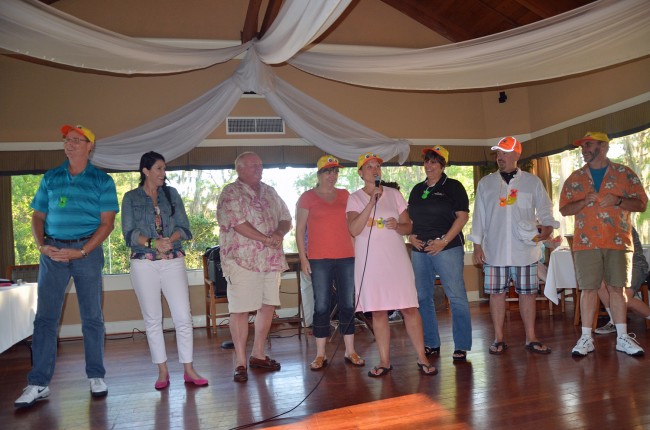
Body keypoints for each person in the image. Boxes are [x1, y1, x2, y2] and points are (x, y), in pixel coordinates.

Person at [15, 125, 119, 409]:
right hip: (53, 252)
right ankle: (38, 383)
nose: (69, 144)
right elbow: (37, 217)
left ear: (89, 147)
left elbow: (107, 223)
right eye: (66, 140)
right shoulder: (51, 177)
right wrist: (41, 246)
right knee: (45, 318)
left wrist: (81, 251)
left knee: (92, 318)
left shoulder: (102, 180)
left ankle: (96, 375)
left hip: (87, 252)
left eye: (76, 140)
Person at [121, 151, 207, 390]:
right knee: (152, 319)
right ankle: (162, 371)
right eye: (159, 168)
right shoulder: (130, 198)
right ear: (145, 171)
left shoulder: (172, 194)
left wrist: (170, 238)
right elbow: (128, 234)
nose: (163, 173)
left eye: (164, 168)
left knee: (183, 316)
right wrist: (152, 243)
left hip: (173, 261)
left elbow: (184, 227)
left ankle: (189, 369)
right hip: (143, 263)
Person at [346, 152, 436, 377]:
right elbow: (353, 229)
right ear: (360, 173)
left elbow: (408, 227)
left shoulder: (394, 194)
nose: (375, 170)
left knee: (410, 308)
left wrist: (398, 225)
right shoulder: (354, 198)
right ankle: (384, 361)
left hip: (395, 260)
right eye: (369, 167)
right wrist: (371, 202)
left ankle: (422, 358)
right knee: (378, 312)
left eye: (377, 166)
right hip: (371, 264)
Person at [559, 132, 648, 357]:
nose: (584, 149)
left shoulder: (624, 174)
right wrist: (582, 202)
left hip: (618, 242)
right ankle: (586, 338)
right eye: (582, 146)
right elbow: (564, 209)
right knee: (589, 289)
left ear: (604, 147)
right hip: (586, 243)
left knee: (617, 290)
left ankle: (622, 338)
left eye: (588, 144)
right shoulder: (575, 178)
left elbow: (641, 204)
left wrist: (619, 200)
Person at [469, 136, 558, 355]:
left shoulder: (532, 182)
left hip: (525, 251)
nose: (500, 157)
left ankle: (531, 337)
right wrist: (477, 247)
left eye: (505, 152)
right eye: (498, 153)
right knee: (496, 294)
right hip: (494, 251)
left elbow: (545, 210)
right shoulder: (486, 184)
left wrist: (547, 227)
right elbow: (479, 216)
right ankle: (498, 338)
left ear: (517, 154)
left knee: (527, 293)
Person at [216, 152, 292, 383]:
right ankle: (240, 361)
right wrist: (265, 238)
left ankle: (258, 354)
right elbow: (238, 224)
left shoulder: (270, 191)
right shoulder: (230, 193)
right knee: (240, 310)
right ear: (239, 168)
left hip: (270, 260)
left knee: (268, 306)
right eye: (252, 165)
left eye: (260, 164)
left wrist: (279, 233)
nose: (259, 168)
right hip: (242, 260)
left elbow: (286, 217)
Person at [296, 155, 364, 371]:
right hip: (319, 259)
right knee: (322, 305)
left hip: (346, 257)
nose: (332, 176)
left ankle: (350, 350)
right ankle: (320, 354)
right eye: (328, 171)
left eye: (335, 172)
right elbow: (299, 231)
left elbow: (353, 226)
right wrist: (303, 258)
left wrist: (357, 252)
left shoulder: (345, 195)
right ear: (319, 174)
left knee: (347, 304)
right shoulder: (307, 198)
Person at [407, 146, 472, 362]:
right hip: (420, 250)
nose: (429, 165)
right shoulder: (417, 189)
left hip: (448, 248)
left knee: (456, 297)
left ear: (443, 165)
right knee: (423, 298)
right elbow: (410, 220)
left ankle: (461, 345)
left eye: (434, 162)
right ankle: (431, 343)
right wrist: (411, 237)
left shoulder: (453, 187)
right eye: (426, 161)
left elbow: (462, 217)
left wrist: (443, 241)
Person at [595, 230, 650, 334]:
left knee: (624, 299)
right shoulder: (598, 226)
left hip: (634, 265)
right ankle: (614, 322)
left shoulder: (622, 223)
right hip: (615, 267)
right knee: (600, 283)